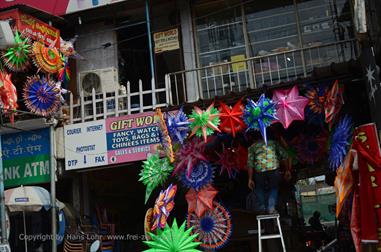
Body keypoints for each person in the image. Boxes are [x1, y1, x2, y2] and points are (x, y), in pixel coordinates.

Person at [247, 129, 286, 214]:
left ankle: (262, 207)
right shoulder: (273, 143)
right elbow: (284, 155)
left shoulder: (252, 147)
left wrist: (250, 179)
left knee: (259, 188)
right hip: (273, 168)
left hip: (259, 170)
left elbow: (250, 164)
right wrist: (287, 170)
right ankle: (271, 208)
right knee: (274, 187)